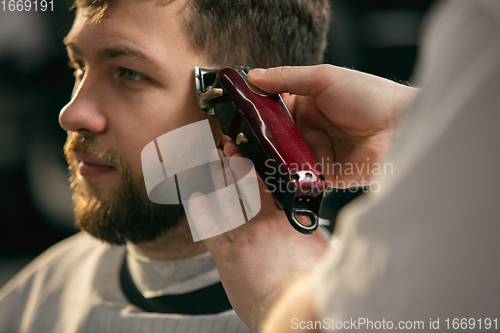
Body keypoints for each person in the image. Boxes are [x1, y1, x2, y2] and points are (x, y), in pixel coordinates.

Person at [0, 0, 331, 332]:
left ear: (259, 106)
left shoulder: (357, 307)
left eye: (130, 74)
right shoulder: (28, 304)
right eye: (79, 67)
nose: (71, 115)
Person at [197, 0, 500, 332]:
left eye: (136, 75)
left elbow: (392, 309)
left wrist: (279, 297)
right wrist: (404, 120)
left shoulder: (482, 24)